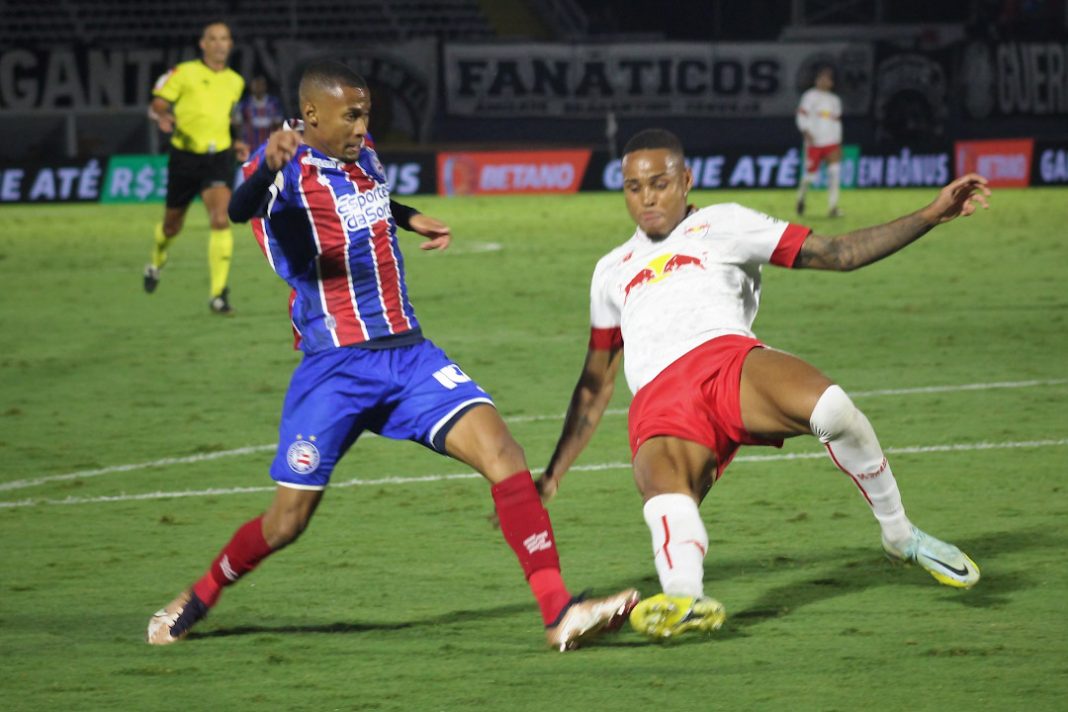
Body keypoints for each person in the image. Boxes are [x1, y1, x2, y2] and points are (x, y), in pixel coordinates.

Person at [145, 61, 638, 652]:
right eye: (350, 115)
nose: (361, 124)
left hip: (408, 355)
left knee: (506, 455)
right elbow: (243, 209)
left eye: (366, 113)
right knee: (286, 523)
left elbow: (370, 202)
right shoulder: (284, 165)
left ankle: (560, 611)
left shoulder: (365, 153)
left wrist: (409, 217)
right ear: (311, 116)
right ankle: (197, 597)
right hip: (335, 368)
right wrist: (270, 165)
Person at [538, 128, 989, 641]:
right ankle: (685, 598)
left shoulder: (724, 223)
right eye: (634, 188)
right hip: (660, 396)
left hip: (729, 362)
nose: (647, 199)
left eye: (660, 184)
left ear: (685, 180)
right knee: (665, 492)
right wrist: (555, 471)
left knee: (834, 410)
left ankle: (900, 534)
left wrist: (930, 215)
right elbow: (596, 382)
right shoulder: (609, 271)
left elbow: (838, 252)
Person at [144, 20, 248, 314]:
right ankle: (156, 260)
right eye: (212, 39)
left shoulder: (235, 81)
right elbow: (158, 104)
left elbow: (228, 117)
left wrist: (237, 140)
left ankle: (218, 294)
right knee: (171, 225)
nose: (218, 44)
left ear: (230, 44)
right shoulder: (184, 73)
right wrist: (163, 117)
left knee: (219, 219)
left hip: (219, 159)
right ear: (203, 44)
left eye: (224, 38)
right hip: (185, 158)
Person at [795, 65, 843, 218]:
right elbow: (801, 115)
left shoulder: (835, 100)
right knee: (810, 176)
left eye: (827, 79)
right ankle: (801, 198)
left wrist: (839, 142)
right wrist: (805, 131)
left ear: (831, 83)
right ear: (816, 80)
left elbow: (836, 122)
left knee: (834, 172)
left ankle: (833, 207)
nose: (824, 82)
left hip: (831, 141)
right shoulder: (809, 96)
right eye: (821, 78)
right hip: (814, 142)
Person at [234, 75, 285, 153]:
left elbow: (279, 125)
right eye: (256, 84)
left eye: (261, 84)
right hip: (250, 149)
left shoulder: (273, 103)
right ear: (251, 86)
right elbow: (237, 125)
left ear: (265, 86)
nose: (258, 87)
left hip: (269, 148)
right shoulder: (244, 104)